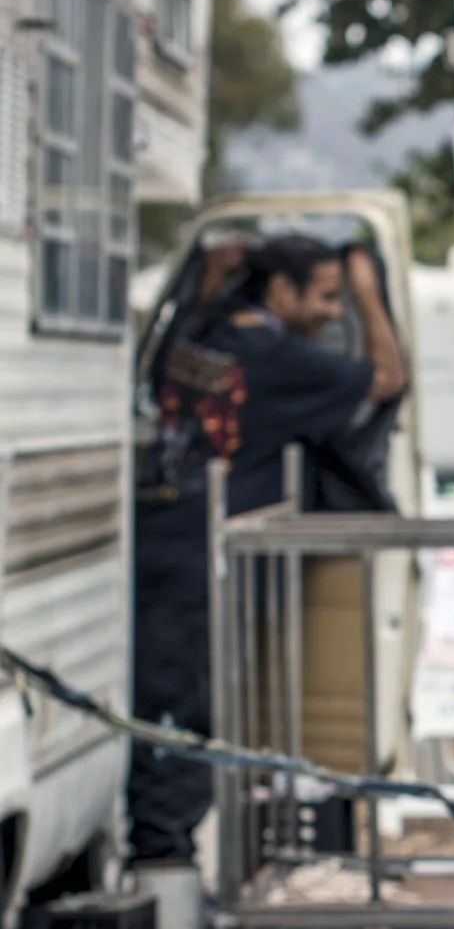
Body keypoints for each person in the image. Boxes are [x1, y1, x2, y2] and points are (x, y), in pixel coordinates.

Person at [129, 232, 406, 865]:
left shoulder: (200, 331)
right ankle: (163, 865)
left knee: (160, 702)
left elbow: (159, 360)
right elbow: (388, 378)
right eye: (327, 296)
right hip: (205, 564)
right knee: (189, 710)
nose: (335, 313)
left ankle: (158, 851)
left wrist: (206, 270)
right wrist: (368, 290)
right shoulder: (275, 355)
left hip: (157, 542)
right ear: (280, 290)